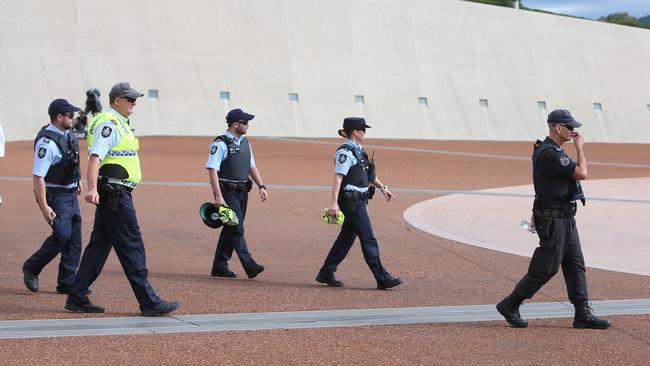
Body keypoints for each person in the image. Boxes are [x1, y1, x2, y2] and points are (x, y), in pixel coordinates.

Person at [65, 82, 180, 316]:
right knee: (132, 245)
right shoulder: (110, 124)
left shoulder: (118, 122)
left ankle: (77, 296)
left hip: (114, 193)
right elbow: (95, 156)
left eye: (135, 99)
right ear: (117, 100)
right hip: (115, 193)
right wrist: (91, 188)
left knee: (98, 247)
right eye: (130, 99)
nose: (134, 102)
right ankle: (149, 301)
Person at [496, 109, 611, 329]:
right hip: (554, 219)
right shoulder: (550, 153)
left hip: (565, 217)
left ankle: (582, 313)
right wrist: (580, 148)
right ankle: (510, 304)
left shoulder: (552, 150)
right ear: (558, 128)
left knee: (576, 266)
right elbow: (581, 173)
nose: (573, 132)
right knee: (545, 268)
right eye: (570, 128)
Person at [316, 117, 402, 290]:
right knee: (368, 239)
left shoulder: (359, 150)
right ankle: (382, 277)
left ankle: (326, 272)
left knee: (345, 239)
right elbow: (337, 179)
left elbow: (369, 175)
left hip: (359, 201)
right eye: (363, 129)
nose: (365, 132)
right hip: (352, 202)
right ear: (355, 132)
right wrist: (333, 203)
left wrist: (383, 187)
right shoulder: (345, 152)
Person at [22, 99, 83, 294]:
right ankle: (31, 267)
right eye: (70, 116)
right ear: (59, 117)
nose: (73, 119)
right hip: (56, 196)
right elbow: (38, 177)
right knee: (62, 235)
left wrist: (77, 180)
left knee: (75, 239)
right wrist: (44, 206)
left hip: (70, 193)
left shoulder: (67, 133)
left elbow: (71, 159)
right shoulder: (46, 144)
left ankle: (67, 282)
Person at [206, 108, 267, 279]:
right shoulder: (220, 144)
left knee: (230, 228)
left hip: (242, 192)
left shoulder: (246, 143)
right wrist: (218, 196)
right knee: (236, 227)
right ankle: (250, 265)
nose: (248, 126)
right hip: (227, 192)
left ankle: (219, 266)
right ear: (235, 124)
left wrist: (261, 185)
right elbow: (212, 169)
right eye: (245, 123)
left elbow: (251, 166)